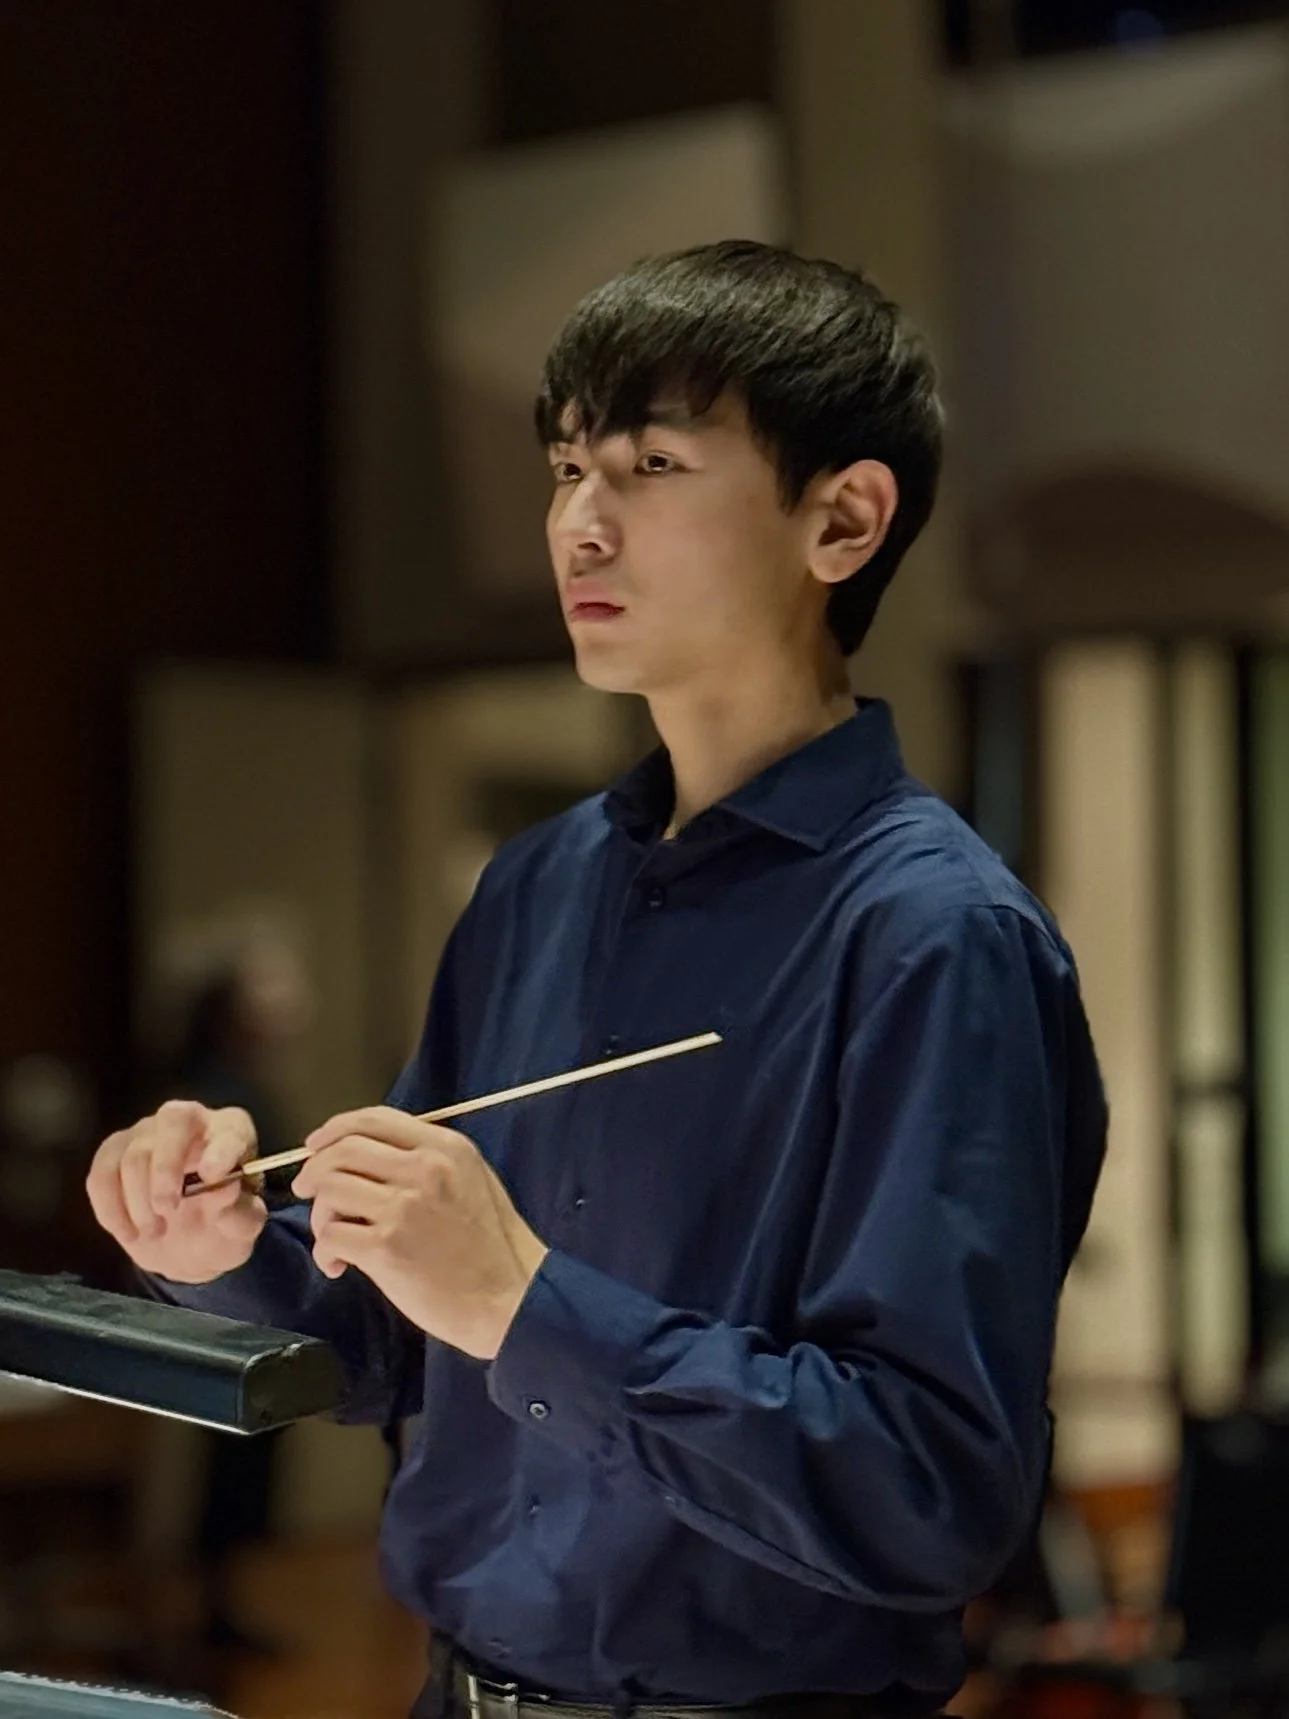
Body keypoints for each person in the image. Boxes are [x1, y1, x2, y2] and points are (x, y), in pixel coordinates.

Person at [87, 241, 1108, 1719]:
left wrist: (523, 1299)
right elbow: (392, 1342)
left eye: (650, 462)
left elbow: (928, 1484)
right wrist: (224, 1243)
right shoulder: (536, 883)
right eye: (568, 465)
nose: (579, 521)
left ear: (843, 519)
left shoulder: (936, 936)